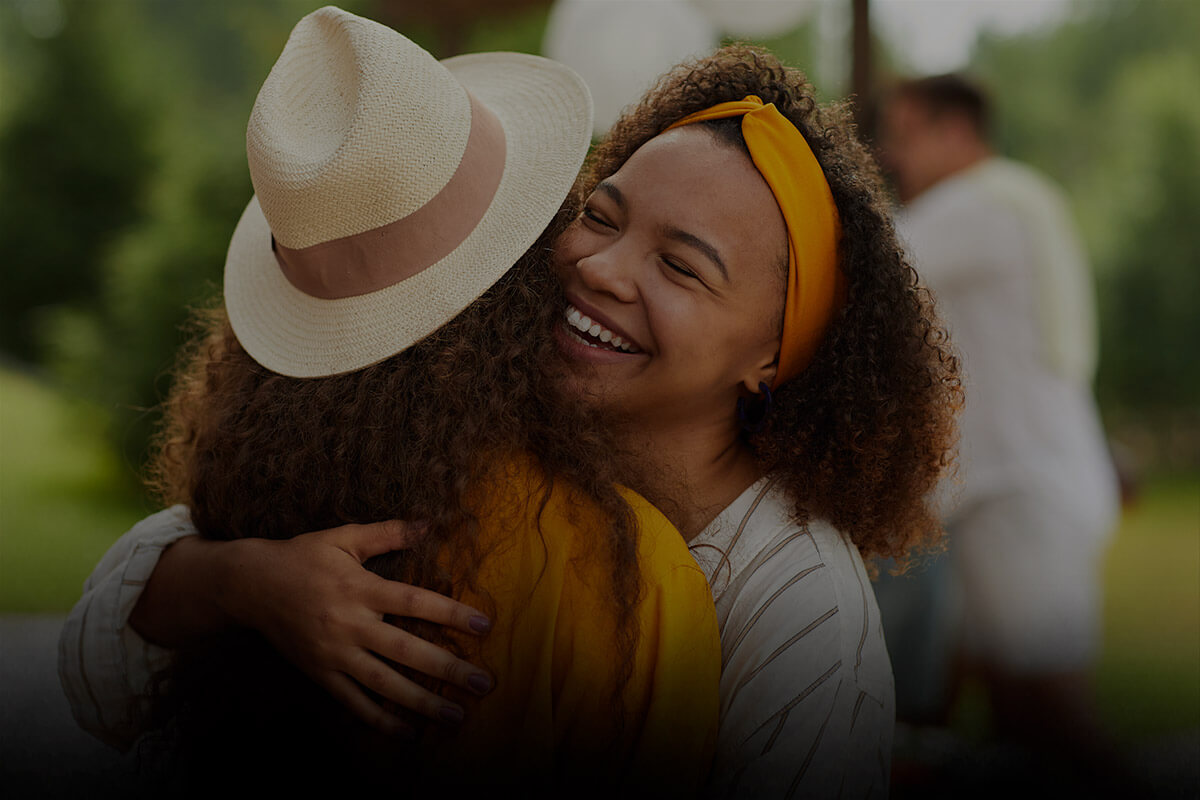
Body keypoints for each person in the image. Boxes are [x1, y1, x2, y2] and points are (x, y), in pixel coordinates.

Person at [61, 36, 963, 798]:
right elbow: (97, 656)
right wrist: (251, 584)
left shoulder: (799, 598)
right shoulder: (473, 426)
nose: (604, 270)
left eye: (683, 268)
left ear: (774, 352)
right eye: (600, 217)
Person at [873, 74, 1123, 787]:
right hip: (1011, 494)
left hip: (1020, 496)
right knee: (1015, 726)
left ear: (957, 133)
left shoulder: (978, 204)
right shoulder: (1020, 198)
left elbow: (868, 264)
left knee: (1054, 718)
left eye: (906, 133)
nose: (892, 154)